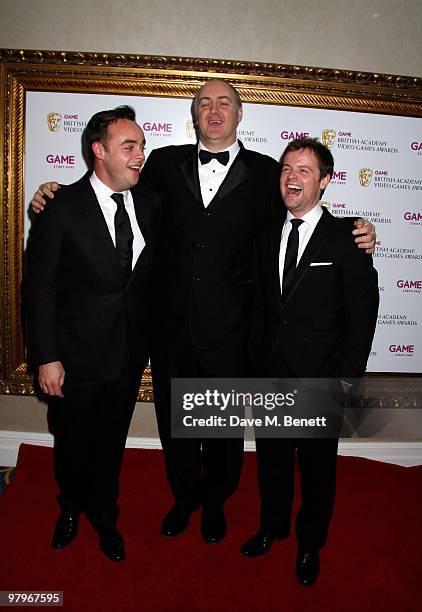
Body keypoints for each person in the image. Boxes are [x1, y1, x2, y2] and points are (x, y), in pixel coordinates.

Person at [30, 79, 376, 545]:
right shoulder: (161, 164)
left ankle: (215, 503)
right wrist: (52, 192)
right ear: (195, 115)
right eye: (205, 103)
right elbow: (110, 190)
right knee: (178, 434)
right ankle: (185, 499)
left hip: (231, 336)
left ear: (239, 114)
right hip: (169, 332)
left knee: (222, 438)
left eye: (225, 103)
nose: (215, 110)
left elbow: (305, 213)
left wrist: (358, 231)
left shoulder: (266, 174)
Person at [240, 138, 379, 586]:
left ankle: (309, 544)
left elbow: (362, 314)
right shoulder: (264, 236)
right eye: (286, 169)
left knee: (318, 472)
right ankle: (273, 527)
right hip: (270, 376)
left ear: (325, 180)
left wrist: (346, 379)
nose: (292, 177)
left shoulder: (348, 237)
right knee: (272, 462)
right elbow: (260, 307)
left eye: (304, 170)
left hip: (321, 380)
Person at [25, 106, 158, 562]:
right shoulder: (59, 207)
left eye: (142, 145)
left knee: (110, 445)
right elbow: (38, 289)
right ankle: (69, 510)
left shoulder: (152, 202)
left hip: (127, 354)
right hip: (74, 359)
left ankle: (105, 516)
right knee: (72, 443)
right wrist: (46, 357)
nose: (141, 154)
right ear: (99, 151)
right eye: (130, 146)